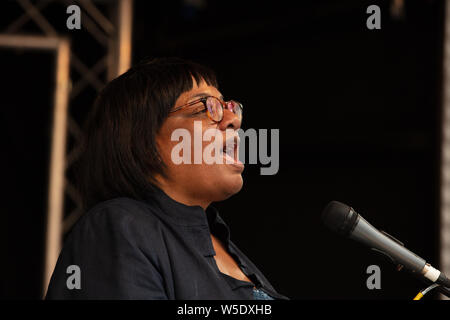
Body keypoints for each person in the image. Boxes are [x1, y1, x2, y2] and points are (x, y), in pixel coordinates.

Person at [45, 57, 288, 300]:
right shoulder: (120, 227)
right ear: (144, 143)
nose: (233, 119)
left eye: (229, 107)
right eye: (207, 107)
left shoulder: (219, 240)